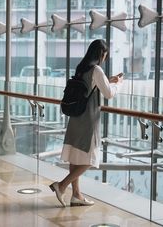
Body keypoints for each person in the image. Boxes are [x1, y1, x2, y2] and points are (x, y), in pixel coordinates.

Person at [49, 39, 123, 207]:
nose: (105, 58)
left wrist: (107, 80)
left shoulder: (81, 68)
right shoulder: (97, 69)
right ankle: (61, 186)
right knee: (90, 160)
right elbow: (109, 94)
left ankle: (76, 196)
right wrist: (118, 85)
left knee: (75, 158)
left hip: (76, 118)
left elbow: (92, 86)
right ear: (101, 54)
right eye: (105, 55)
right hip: (88, 120)